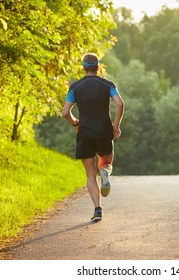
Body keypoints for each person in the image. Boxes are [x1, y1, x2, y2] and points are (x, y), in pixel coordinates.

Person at [61, 53, 124, 222]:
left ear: (83, 67)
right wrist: (116, 126)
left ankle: (97, 209)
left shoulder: (75, 87)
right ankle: (105, 172)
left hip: (85, 133)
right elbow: (120, 103)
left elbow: (65, 112)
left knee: (90, 174)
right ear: (98, 67)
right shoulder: (107, 84)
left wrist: (75, 123)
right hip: (104, 131)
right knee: (106, 163)